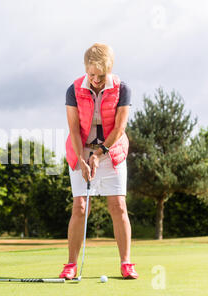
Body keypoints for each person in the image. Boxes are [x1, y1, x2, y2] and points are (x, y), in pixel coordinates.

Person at [61, 43, 138, 280]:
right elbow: (74, 130)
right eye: (91, 74)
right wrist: (84, 160)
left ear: (109, 69)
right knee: (80, 206)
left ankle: (126, 263)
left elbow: (119, 127)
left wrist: (98, 155)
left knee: (118, 205)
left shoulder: (122, 89)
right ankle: (71, 265)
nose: (95, 79)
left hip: (111, 150)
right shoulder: (73, 90)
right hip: (81, 149)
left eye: (100, 75)